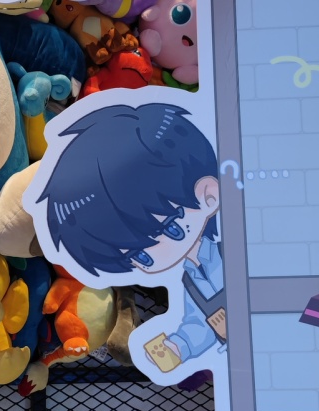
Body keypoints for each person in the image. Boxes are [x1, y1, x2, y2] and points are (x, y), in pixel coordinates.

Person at [39, 102, 225, 370]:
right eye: (140, 257)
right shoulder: (188, 278)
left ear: (208, 194)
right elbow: (198, 324)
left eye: (170, 228)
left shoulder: (235, 247)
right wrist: (179, 347)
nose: (158, 252)